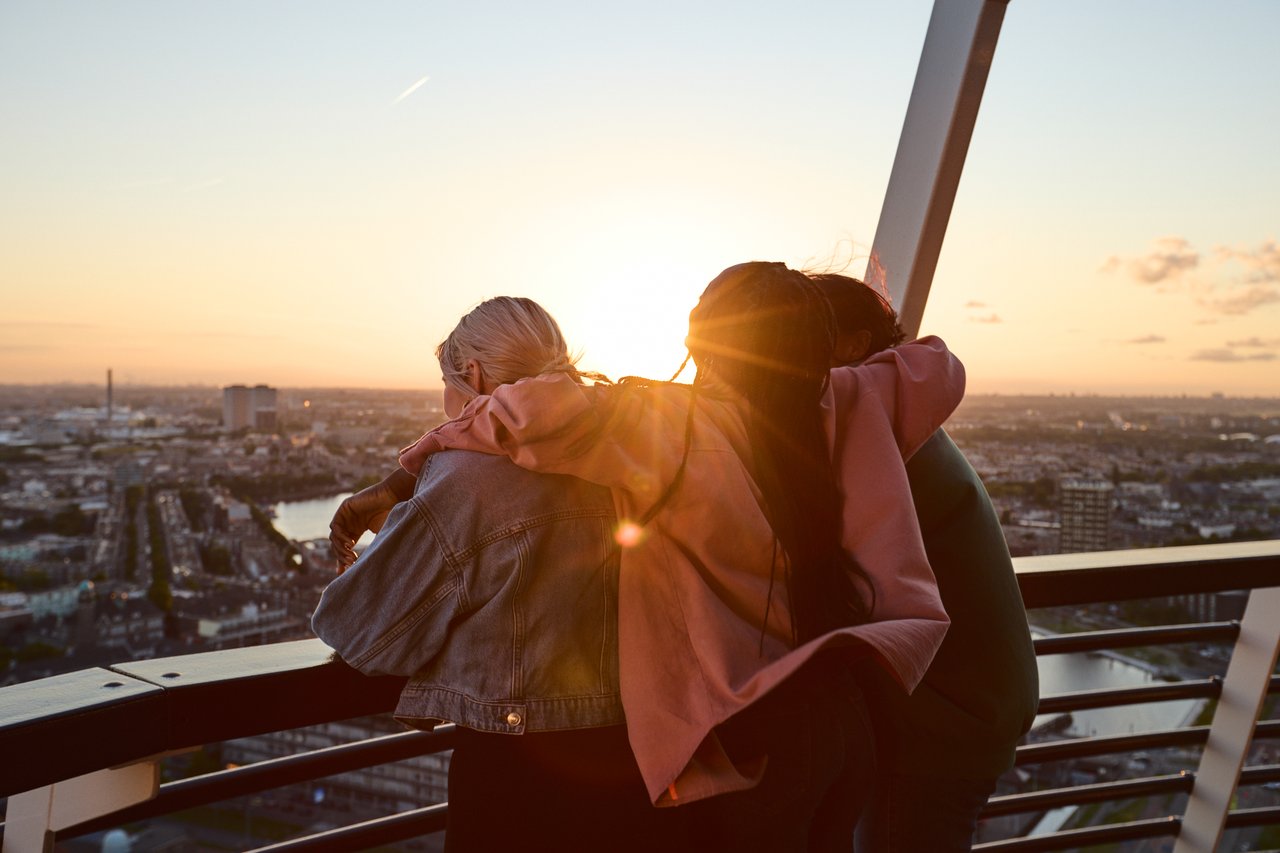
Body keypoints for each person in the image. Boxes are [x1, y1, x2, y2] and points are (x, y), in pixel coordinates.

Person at [378, 261, 966, 848]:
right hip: (843, 715)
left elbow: (528, 415)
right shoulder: (849, 399)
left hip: (752, 738)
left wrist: (401, 477)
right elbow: (938, 365)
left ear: (699, 341)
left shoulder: (676, 430)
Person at [313, 297, 688, 852]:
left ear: (472, 374)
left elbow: (358, 630)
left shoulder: (466, 483)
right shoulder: (635, 454)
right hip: (637, 758)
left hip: (519, 775)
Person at [812, 275, 1039, 852]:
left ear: (848, 345)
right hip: (965, 711)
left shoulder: (871, 441)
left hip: (938, 727)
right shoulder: (901, 431)